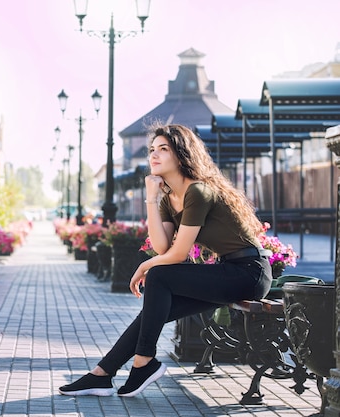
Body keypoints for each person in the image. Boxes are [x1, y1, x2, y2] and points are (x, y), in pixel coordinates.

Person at [58, 123, 272, 398]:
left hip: (249, 273)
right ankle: (102, 374)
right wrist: (151, 198)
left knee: (158, 276)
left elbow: (177, 254)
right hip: (228, 271)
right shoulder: (170, 199)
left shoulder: (198, 191)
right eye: (151, 150)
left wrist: (144, 266)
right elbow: (162, 247)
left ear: (182, 154)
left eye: (163, 149)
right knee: (154, 310)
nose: (154, 155)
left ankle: (144, 361)